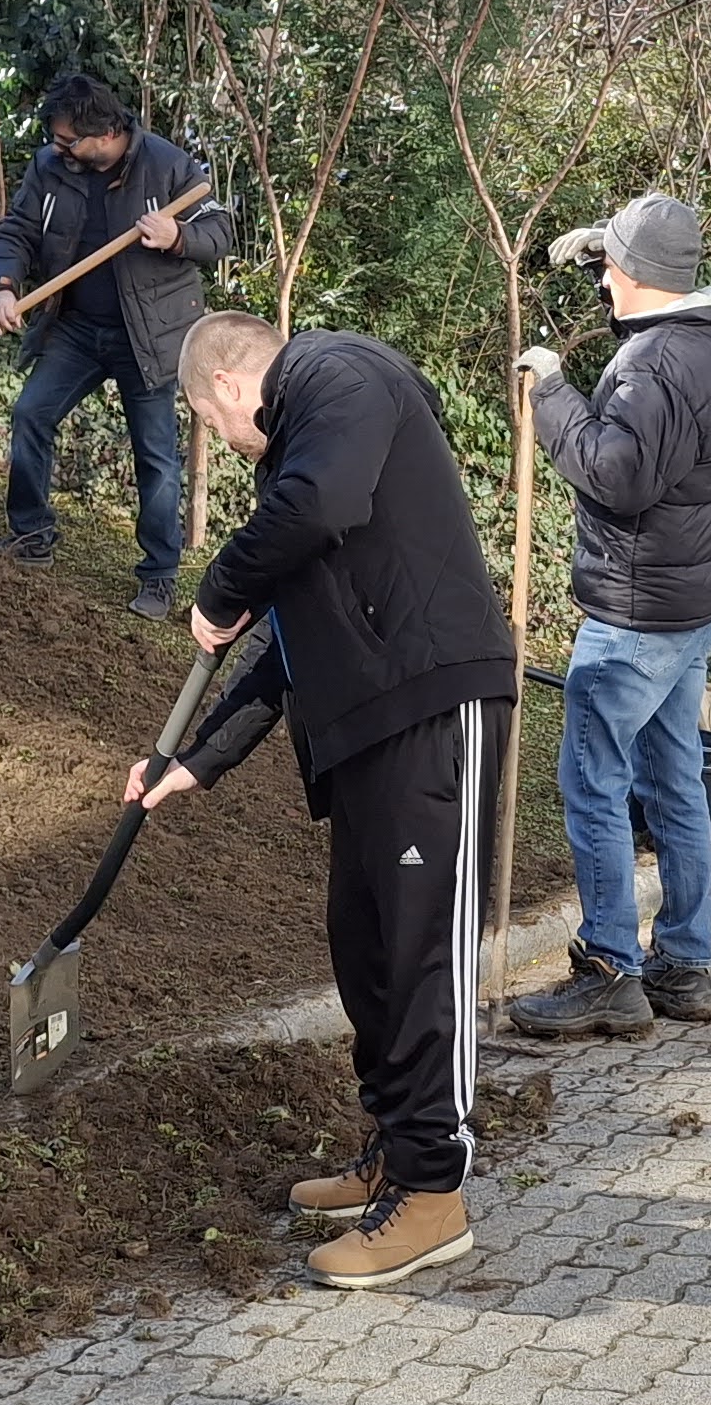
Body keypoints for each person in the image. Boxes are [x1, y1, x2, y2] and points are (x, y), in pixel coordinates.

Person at [126, 311, 520, 1291]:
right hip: (369, 729)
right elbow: (286, 648)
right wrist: (197, 759)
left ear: (226, 387)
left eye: (211, 425)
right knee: (366, 944)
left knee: (422, 951)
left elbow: (321, 503)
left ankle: (433, 1191)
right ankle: (394, 1148)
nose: (228, 442)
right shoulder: (300, 468)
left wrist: (222, 582)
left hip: (433, 704)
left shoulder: (339, 372)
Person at [505, 194, 711, 1042]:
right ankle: (684, 964)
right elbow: (656, 333)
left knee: (594, 781)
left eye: (612, 265)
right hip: (693, 600)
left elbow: (616, 474)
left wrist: (552, 391)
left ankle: (610, 971)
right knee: (675, 778)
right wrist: (602, 250)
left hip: (636, 615)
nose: (603, 278)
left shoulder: (653, 367)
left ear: (643, 275)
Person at [0, 73, 234, 620]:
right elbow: (17, 230)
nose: (58, 148)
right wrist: (2, 287)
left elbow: (220, 231)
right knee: (31, 414)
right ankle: (31, 534)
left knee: (155, 455)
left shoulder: (165, 164)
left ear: (108, 133)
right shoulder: (51, 168)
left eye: (69, 140)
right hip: (75, 328)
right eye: (55, 138)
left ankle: (160, 575)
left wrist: (178, 238)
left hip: (148, 335)